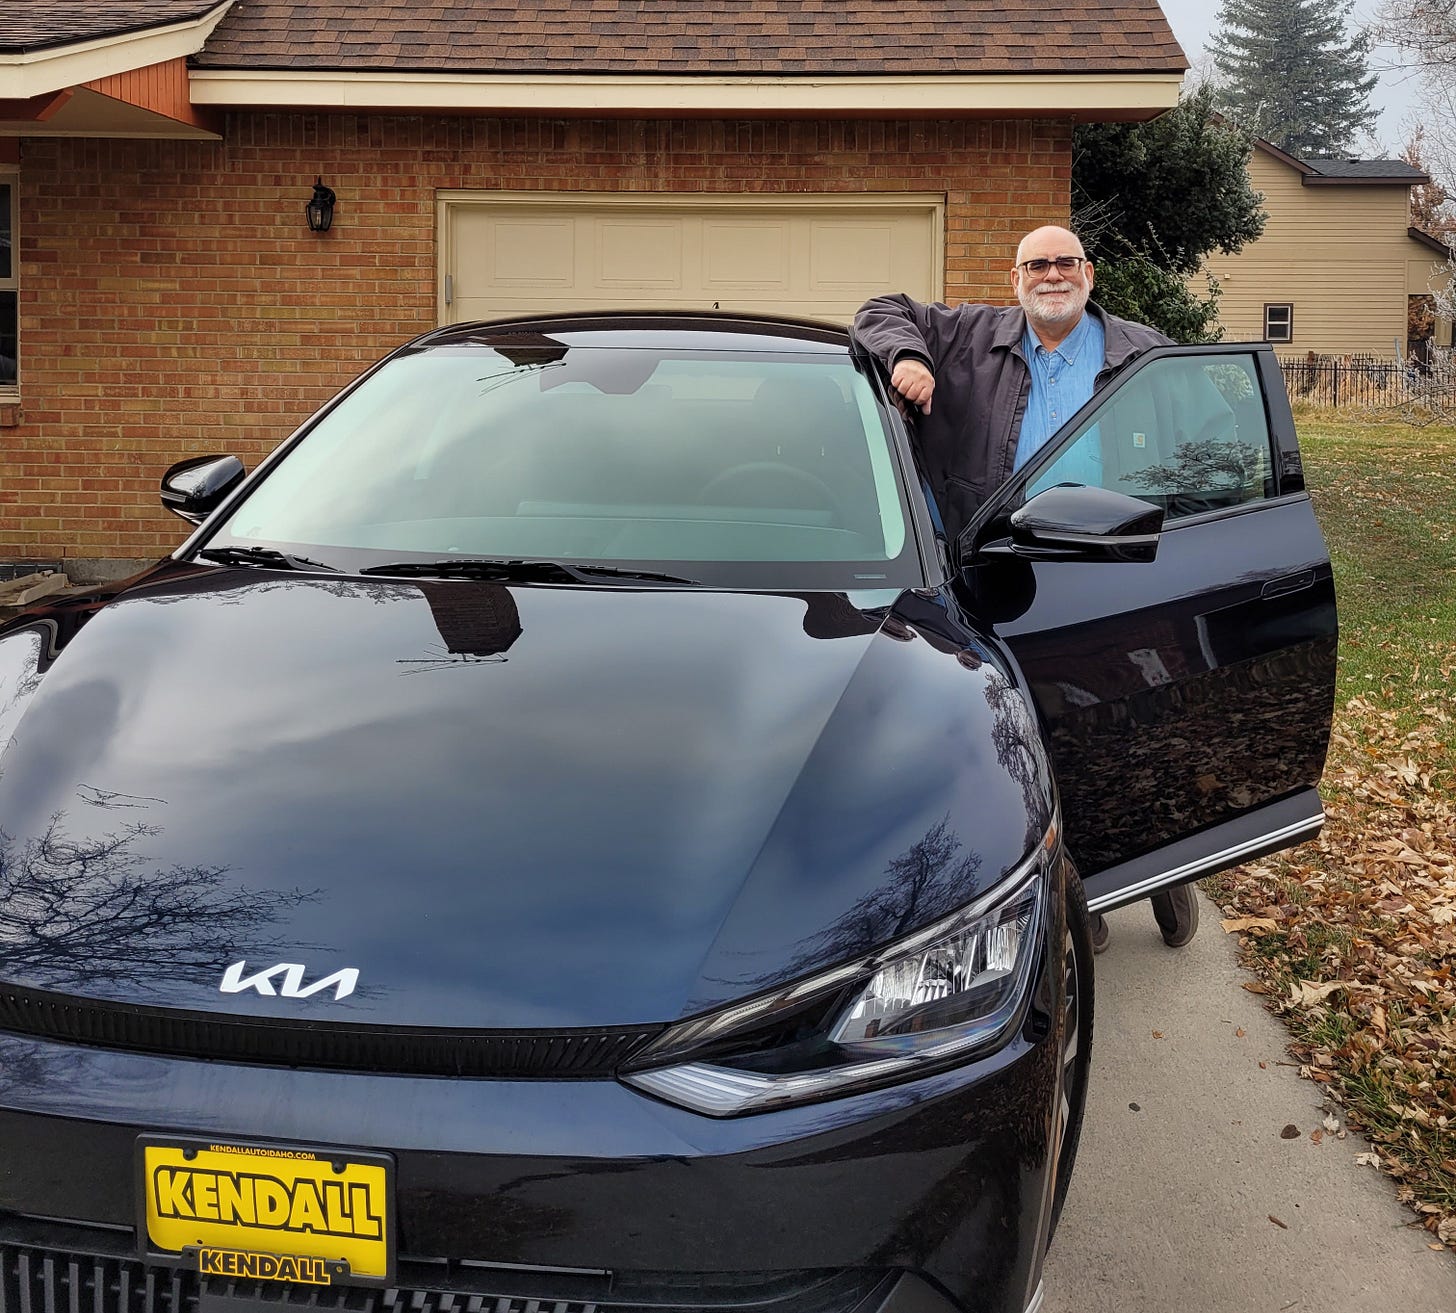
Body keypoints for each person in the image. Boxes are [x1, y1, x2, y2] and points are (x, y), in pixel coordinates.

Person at [851, 224, 1199, 953]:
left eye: (1064, 262)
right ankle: (1083, 887)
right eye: (1035, 264)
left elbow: (1207, 446)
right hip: (1003, 575)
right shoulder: (972, 336)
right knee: (1039, 726)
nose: (1051, 274)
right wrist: (908, 356)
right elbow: (880, 309)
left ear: (1090, 274)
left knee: (1136, 715)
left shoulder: (1145, 353)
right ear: (1015, 280)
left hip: (1116, 567)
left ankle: (1165, 864)